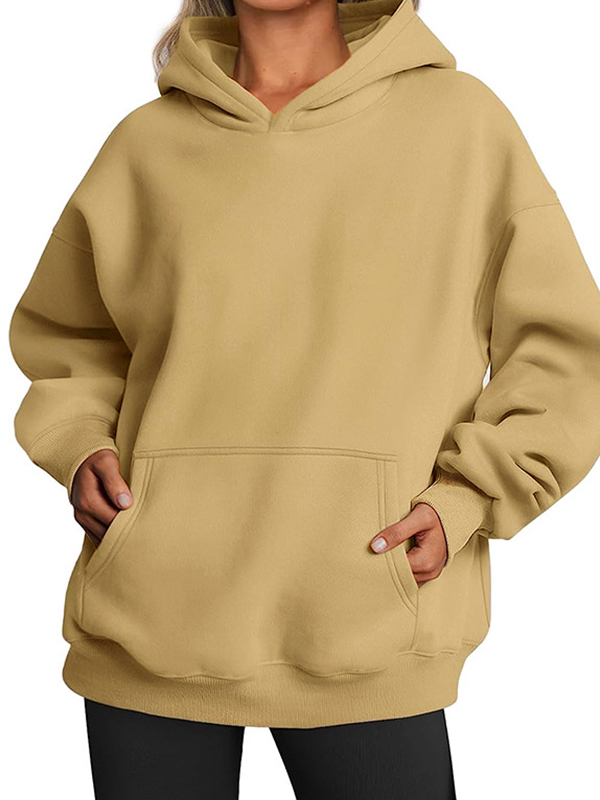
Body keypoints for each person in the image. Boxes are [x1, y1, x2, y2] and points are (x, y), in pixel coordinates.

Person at [8, 0, 600, 797]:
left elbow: (566, 359)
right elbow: (74, 341)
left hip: (370, 613)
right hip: (153, 619)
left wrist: (466, 499)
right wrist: (83, 447)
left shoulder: (463, 127)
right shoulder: (143, 147)